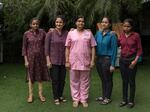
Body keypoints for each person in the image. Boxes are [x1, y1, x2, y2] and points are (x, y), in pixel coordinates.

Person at [65, 15, 96, 107]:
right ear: (75, 23)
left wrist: (92, 60)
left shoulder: (89, 33)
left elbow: (93, 47)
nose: (80, 23)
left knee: (85, 81)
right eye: (79, 21)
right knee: (74, 81)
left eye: (82, 21)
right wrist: (67, 60)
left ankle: (83, 99)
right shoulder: (71, 33)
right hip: (73, 61)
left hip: (85, 61)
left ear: (84, 23)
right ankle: (75, 99)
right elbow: (67, 47)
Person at [22, 18, 50, 103]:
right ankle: (30, 95)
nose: (35, 25)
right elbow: (24, 48)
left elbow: (49, 37)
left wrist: (52, 30)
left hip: (41, 58)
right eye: (33, 24)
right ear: (30, 25)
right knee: (31, 76)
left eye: (37, 24)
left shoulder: (42, 32)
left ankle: (40, 94)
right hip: (30, 59)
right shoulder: (26, 34)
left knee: (40, 76)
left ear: (38, 24)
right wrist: (26, 60)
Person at [118, 18, 142, 108]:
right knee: (124, 81)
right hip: (122, 61)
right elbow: (117, 44)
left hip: (132, 61)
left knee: (131, 82)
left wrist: (135, 61)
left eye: (128, 26)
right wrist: (112, 34)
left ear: (131, 27)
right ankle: (124, 100)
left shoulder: (136, 36)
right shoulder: (121, 35)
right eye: (124, 26)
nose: (126, 28)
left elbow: (139, 50)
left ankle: (131, 101)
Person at [45, 15, 68, 105]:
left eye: (60, 22)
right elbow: (46, 48)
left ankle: (60, 96)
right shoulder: (50, 33)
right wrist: (48, 60)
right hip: (53, 61)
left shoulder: (67, 33)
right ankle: (56, 97)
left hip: (63, 60)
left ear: (64, 23)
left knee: (62, 80)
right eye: (57, 22)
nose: (59, 23)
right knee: (55, 80)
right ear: (55, 23)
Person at [95, 17, 118, 105]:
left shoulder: (112, 35)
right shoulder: (98, 33)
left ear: (109, 24)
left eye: (106, 22)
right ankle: (104, 96)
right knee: (103, 79)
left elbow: (114, 50)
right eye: (102, 22)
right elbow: (91, 41)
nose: (103, 24)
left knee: (108, 79)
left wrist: (113, 64)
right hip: (99, 60)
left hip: (107, 60)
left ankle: (107, 98)